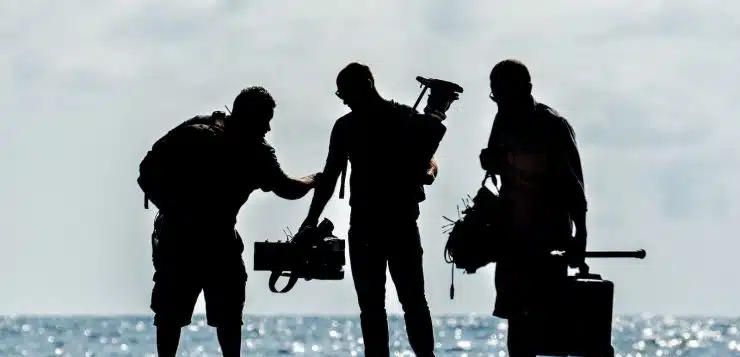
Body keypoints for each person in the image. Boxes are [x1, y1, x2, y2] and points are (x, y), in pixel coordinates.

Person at [137, 86, 318, 357]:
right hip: (184, 242)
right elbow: (147, 173)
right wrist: (314, 180)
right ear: (248, 116)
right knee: (175, 318)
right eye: (264, 119)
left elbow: (286, 188)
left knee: (221, 318)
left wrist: (312, 180)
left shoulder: (253, 152)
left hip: (209, 242)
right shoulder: (204, 136)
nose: (268, 128)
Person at [298, 62, 445, 357]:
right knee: (386, 306)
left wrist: (428, 172)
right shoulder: (357, 125)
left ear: (366, 85)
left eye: (346, 94)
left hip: (389, 225)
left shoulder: (398, 120)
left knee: (401, 303)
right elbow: (330, 177)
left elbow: (429, 160)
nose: (345, 101)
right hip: (375, 227)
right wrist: (309, 222)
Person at [479, 59, 589, 357]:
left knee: (553, 328)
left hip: (549, 239)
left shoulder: (553, 126)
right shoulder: (502, 120)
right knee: (517, 326)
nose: (501, 103)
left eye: (506, 95)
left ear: (526, 90)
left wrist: (581, 236)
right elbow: (497, 165)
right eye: (496, 97)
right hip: (512, 237)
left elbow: (573, 186)